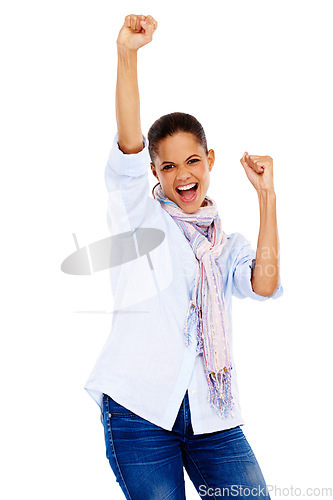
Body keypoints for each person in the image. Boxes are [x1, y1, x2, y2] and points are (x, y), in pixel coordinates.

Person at [84, 13, 284, 500]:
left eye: (192, 160)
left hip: (212, 411)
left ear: (210, 160)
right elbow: (129, 144)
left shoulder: (225, 244)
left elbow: (264, 282)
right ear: (153, 170)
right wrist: (128, 54)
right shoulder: (141, 219)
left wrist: (267, 197)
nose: (183, 175)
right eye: (167, 165)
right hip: (140, 410)